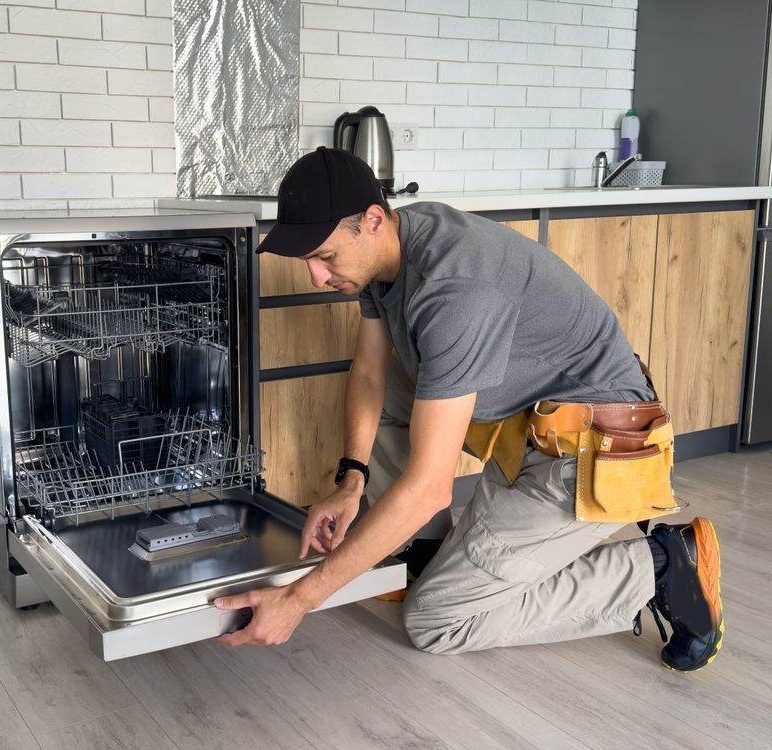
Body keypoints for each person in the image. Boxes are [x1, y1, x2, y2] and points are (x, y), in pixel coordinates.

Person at [214, 147, 723, 671]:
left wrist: (299, 599)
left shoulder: (454, 288)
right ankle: (426, 553)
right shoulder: (391, 251)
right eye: (309, 262)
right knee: (396, 386)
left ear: (370, 221)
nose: (317, 277)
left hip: (592, 452)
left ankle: (659, 568)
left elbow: (432, 484)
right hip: (527, 424)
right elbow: (369, 374)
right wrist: (351, 481)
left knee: (436, 620)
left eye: (325, 257)